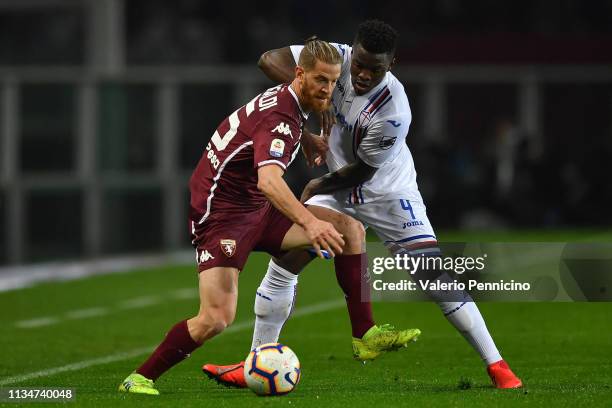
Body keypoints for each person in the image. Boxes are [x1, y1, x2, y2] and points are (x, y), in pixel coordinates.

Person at [203, 20, 523, 389]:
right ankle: (254, 363)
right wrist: (305, 99)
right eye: (360, 64)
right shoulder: (334, 59)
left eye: (377, 69)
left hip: (387, 192)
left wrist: (314, 186)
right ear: (352, 52)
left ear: (392, 64)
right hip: (338, 190)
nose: (364, 74)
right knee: (286, 262)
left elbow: (362, 172)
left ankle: (497, 365)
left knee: (434, 277)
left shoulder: (394, 110)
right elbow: (268, 59)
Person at [119, 38, 351, 396]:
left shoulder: (287, 103)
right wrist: (308, 221)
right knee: (215, 319)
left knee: (344, 228)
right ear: (300, 73)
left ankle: (362, 331)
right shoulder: (282, 118)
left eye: (334, 81)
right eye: (322, 79)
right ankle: (139, 378)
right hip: (223, 215)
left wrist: (304, 136)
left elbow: (265, 146)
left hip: (253, 205)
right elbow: (270, 181)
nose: (329, 89)